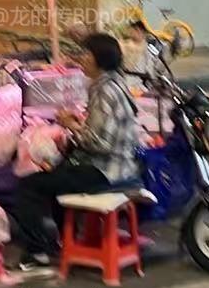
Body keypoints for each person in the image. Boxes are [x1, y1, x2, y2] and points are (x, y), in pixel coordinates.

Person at [14, 32, 139, 274]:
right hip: (119, 166)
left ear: (99, 58)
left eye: (86, 54)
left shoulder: (104, 91)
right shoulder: (116, 83)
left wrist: (70, 125)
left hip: (105, 171)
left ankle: (37, 252)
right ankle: (63, 241)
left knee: (28, 186)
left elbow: (100, 143)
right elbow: (103, 132)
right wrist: (79, 125)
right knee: (56, 175)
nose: (81, 58)